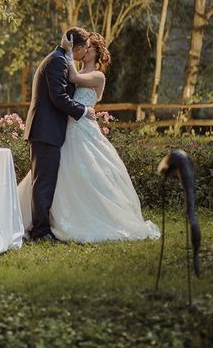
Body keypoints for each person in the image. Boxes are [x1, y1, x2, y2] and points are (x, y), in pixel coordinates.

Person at [18, 32, 160, 243]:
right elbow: (61, 94)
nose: (85, 52)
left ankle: (67, 221)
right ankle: (43, 225)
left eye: (89, 49)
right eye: (84, 48)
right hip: (63, 130)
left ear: (96, 53)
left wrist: (66, 51)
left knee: (77, 174)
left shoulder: (96, 75)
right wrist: (66, 51)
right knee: (50, 178)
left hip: (81, 130)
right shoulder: (67, 66)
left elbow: (73, 81)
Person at [23, 27, 96, 241]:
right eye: (86, 48)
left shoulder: (61, 58)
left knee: (44, 181)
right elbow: (58, 97)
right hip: (45, 130)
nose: (87, 52)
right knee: (43, 182)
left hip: (47, 130)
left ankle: (42, 228)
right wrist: (83, 110)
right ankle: (40, 232)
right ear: (79, 48)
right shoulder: (57, 60)